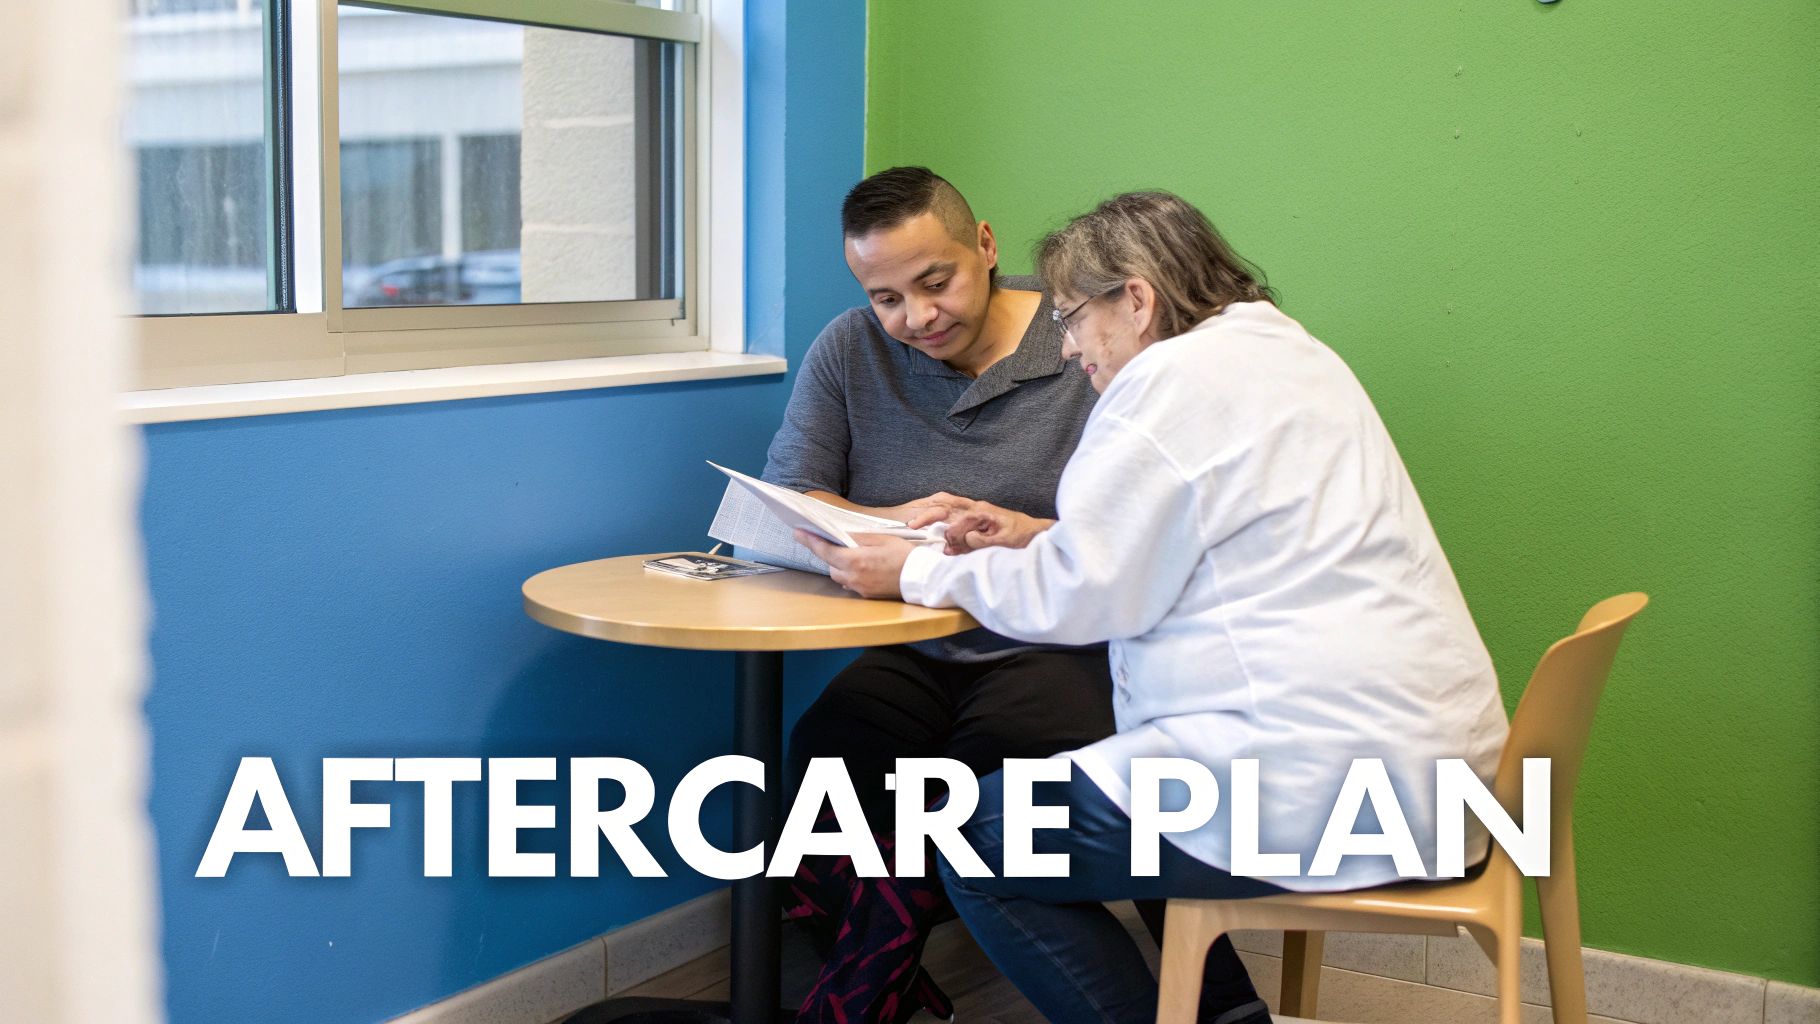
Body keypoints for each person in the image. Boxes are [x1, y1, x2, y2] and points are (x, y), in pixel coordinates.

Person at [798, 191, 1511, 1024]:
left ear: (1134, 299)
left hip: (1319, 786)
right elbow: (1172, 544)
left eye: (1070, 319)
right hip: (1435, 773)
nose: (1067, 349)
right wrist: (1035, 535)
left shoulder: (1164, 385)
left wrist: (916, 576)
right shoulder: (1284, 352)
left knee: (976, 840)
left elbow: (1081, 596)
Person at [763, 167, 1117, 1022]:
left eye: (936, 281)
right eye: (886, 297)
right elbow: (788, 497)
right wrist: (897, 516)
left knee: (968, 797)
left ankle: (856, 996)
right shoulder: (852, 349)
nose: (916, 318)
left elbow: (1122, 531)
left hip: (1054, 645)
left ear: (986, 248)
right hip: (918, 645)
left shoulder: (1080, 340)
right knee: (818, 772)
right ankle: (877, 971)